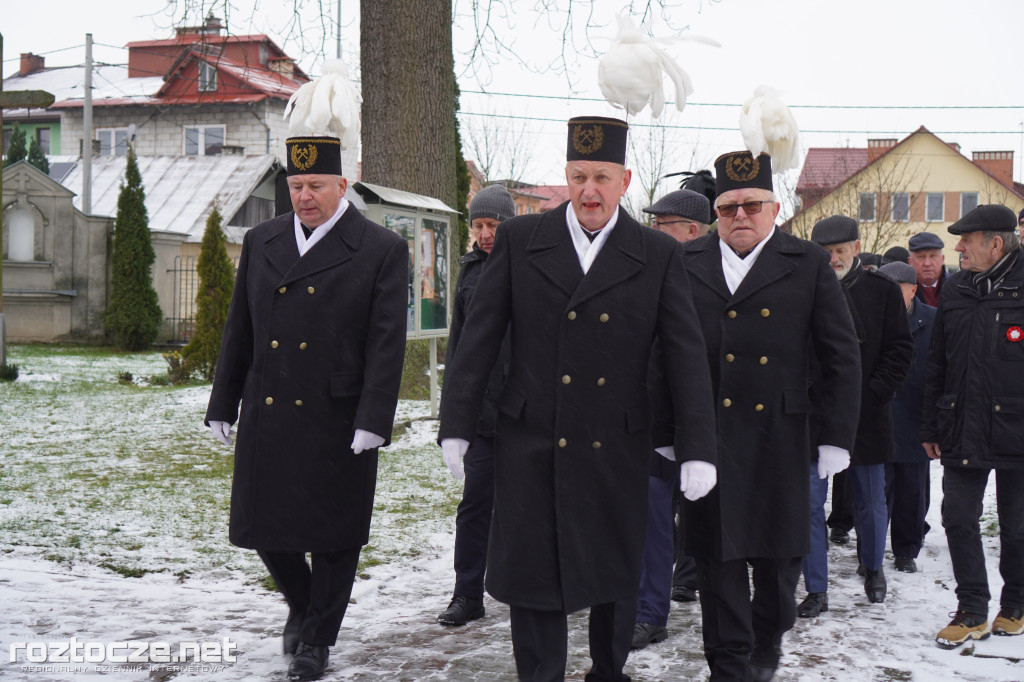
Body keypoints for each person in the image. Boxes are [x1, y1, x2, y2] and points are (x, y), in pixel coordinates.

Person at [438, 115, 718, 682]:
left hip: (617, 442)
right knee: (534, 578)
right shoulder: (520, 240)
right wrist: (457, 422)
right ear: (566, 177)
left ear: (624, 179)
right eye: (578, 175)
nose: (590, 190)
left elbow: (686, 354)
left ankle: (607, 672)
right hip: (531, 437)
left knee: (613, 576)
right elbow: (480, 337)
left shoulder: (656, 253)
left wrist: (698, 447)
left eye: (602, 177)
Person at [205, 133, 409, 681]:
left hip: (337, 415)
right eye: (296, 185)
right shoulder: (261, 240)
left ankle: (317, 641)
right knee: (263, 527)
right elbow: (239, 330)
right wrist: (223, 402)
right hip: (270, 410)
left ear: (343, 185)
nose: (304, 196)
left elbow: (386, 345)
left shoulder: (379, 249)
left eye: (316, 185)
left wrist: (374, 418)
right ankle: (305, 603)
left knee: (334, 536)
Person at [680, 152, 861, 681]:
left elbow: (841, 356)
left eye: (752, 205)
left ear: (774, 208)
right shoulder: (688, 261)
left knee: (780, 565)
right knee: (718, 562)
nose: (741, 215)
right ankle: (730, 663)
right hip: (710, 437)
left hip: (782, 436)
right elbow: (661, 354)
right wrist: (672, 435)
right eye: (729, 206)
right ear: (716, 211)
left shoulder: (805, 263)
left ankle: (768, 638)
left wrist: (837, 438)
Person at [798, 217, 912, 619]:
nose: (833, 259)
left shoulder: (881, 291)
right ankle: (816, 589)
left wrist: (873, 395)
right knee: (810, 504)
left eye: (840, 251)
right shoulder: (800, 290)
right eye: (825, 253)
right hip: (813, 415)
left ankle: (874, 568)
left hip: (866, 414)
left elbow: (900, 351)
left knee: (869, 500)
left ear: (857, 247)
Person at [921, 203, 1024, 648]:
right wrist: (930, 424)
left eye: (967, 240)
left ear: (995, 243)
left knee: (1017, 524)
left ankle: (1016, 603)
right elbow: (937, 360)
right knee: (958, 516)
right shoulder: (958, 289)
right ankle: (971, 609)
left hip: (1017, 428)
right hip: (961, 423)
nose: (958, 247)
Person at [630, 188, 711, 650]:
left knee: (708, 526)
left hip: (705, 425)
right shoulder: (650, 271)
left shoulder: (714, 279)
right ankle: (650, 613)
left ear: (692, 230)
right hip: (655, 424)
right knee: (654, 523)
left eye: (663, 225)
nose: (654, 232)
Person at [437, 184, 516, 626]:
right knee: (475, 506)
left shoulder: (532, 267)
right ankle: (467, 594)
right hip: (485, 415)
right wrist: (455, 421)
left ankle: (542, 586)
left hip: (526, 413)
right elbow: (459, 352)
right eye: (480, 226)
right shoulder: (468, 272)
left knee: (534, 506)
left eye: (494, 225)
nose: (486, 234)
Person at [877, 260, 936, 575]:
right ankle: (871, 552)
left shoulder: (932, 322)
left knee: (912, 492)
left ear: (913, 290)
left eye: (895, 291)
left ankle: (906, 550)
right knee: (876, 492)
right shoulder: (869, 320)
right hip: (879, 417)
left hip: (916, 417)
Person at [908, 232, 947, 307]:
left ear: (942, 259)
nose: (927, 263)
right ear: (910, 262)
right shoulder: (903, 292)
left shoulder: (957, 288)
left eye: (933, 256)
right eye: (921, 257)